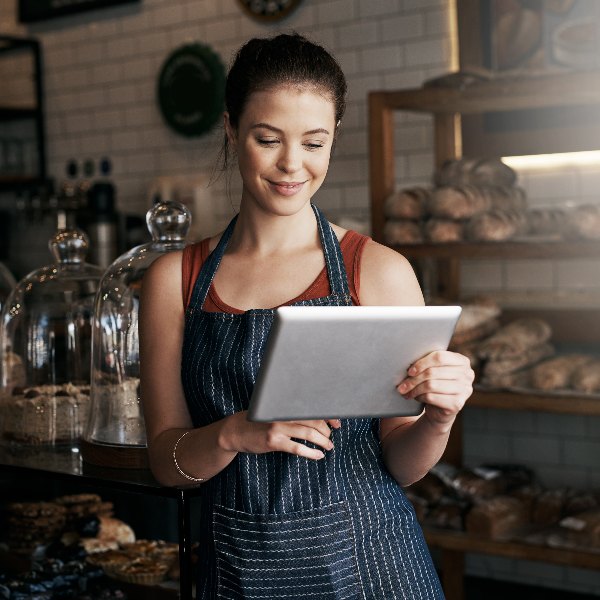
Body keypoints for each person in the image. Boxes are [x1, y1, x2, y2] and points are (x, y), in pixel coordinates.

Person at [140, 32, 474, 600]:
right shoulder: (174, 280)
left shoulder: (379, 271)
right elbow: (167, 464)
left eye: (315, 142)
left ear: (334, 139)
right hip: (236, 568)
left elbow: (403, 464)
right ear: (231, 129)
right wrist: (234, 433)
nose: (292, 165)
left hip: (372, 564)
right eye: (267, 139)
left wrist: (439, 419)